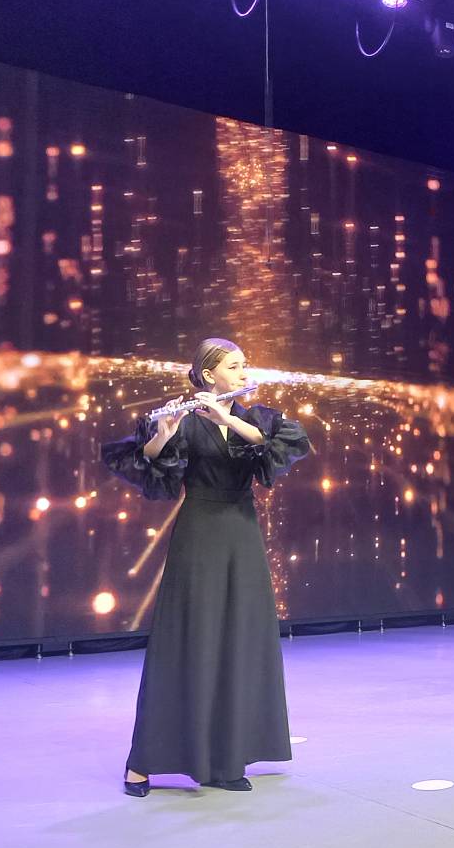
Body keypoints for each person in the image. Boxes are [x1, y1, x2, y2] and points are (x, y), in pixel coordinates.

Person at [101, 338, 311, 795]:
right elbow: (150, 469)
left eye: (244, 365)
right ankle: (142, 764)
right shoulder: (185, 418)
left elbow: (284, 447)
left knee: (239, 639)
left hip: (242, 532)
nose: (243, 373)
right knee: (187, 641)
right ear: (209, 374)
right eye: (233, 366)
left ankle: (225, 760)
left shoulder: (256, 417)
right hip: (199, 532)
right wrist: (163, 432)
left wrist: (227, 419)